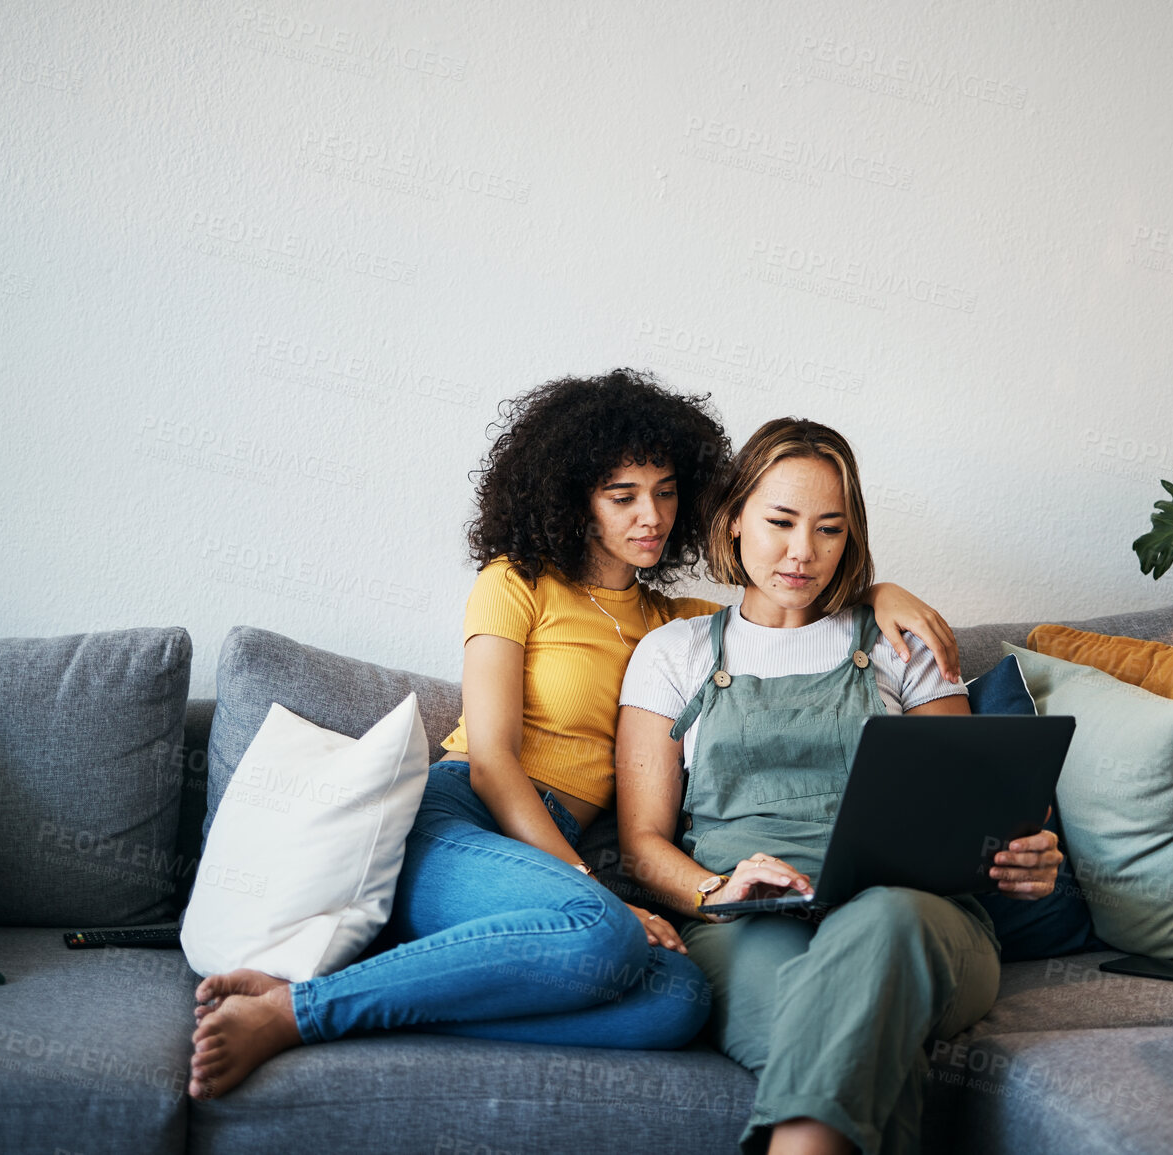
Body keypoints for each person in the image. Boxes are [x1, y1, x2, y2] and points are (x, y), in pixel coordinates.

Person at [187, 373, 963, 1100]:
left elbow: (783, 605)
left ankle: (387, 998)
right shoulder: (513, 584)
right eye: (620, 496)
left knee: (678, 1000)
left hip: (549, 851)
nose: (649, 517)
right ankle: (297, 1012)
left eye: (664, 493)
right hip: (462, 820)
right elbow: (491, 762)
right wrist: (590, 888)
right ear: (572, 498)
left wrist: (878, 588)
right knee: (600, 930)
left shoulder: (678, 625)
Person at [614, 417, 1064, 1155]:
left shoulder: (901, 644)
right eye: (780, 521)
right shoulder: (673, 654)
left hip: (917, 917)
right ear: (732, 520)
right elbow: (640, 844)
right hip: (748, 925)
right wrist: (713, 891)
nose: (802, 552)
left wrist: (1021, 851)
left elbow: (976, 805)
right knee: (843, 1024)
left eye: (829, 528)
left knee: (881, 922)